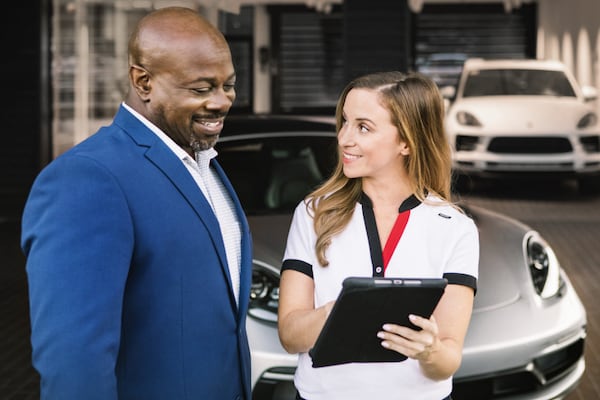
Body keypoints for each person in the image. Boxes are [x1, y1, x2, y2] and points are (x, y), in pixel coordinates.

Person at [21, 7, 251, 400]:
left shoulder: (203, 165)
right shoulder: (87, 179)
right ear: (143, 81)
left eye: (228, 85)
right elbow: (74, 361)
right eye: (201, 89)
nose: (222, 101)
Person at [277, 71, 479, 400]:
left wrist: (429, 351)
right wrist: (337, 313)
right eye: (344, 122)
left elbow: (448, 360)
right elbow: (289, 334)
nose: (344, 138)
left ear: (407, 142)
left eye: (363, 127)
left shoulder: (455, 227)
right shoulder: (314, 213)